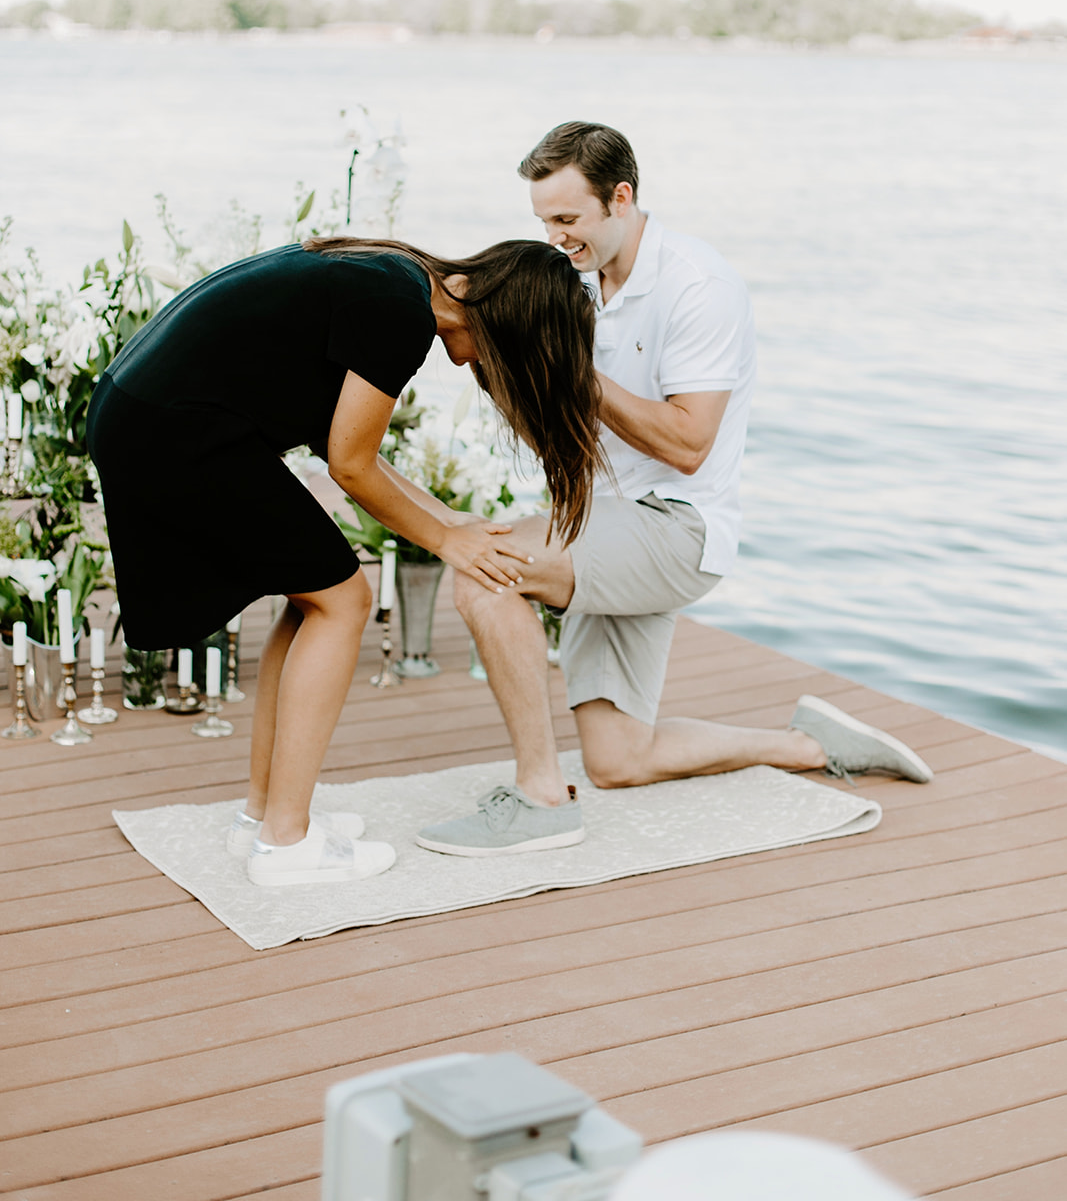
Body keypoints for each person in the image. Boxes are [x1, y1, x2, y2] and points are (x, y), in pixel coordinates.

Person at [415, 122, 932, 857]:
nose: (556, 238)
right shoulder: (579, 284)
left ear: (620, 198)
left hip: (675, 529)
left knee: (484, 570)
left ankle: (539, 799)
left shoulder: (698, 285)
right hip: (606, 527)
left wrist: (572, 368)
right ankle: (808, 746)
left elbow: (689, 445)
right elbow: (570, 432)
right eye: (544, 223)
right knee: (618, 760)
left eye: (568, 220)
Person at [87, 235, 603, 887]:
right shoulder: (401, 313)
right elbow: (351, 469)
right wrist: (446, 543)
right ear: (510, 323)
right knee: (345, 597)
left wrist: (450, 520)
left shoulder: (395, 279)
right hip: (175, 432)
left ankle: (264, 819)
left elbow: (350, 445)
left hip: (146, 415)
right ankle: (287, 843)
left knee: (315, 596)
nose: (488, 373)